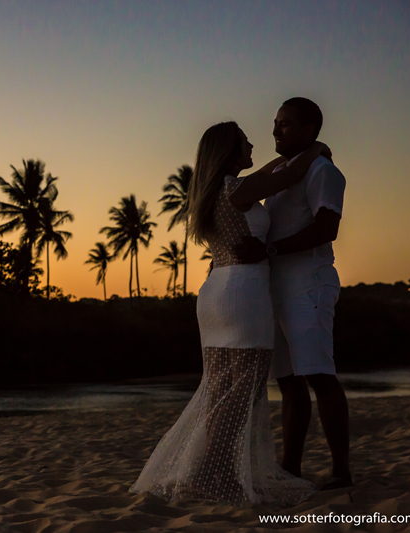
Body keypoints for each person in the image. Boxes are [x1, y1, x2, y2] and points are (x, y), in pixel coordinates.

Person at [130, 121, 327, 505]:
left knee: (220, 389)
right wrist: (315, 150)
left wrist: (282, 160)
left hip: (215, 290)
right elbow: (288, 174)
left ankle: (206, 470)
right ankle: (211, 472)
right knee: (244, 390)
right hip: (243, 292)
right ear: (230, 152)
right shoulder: (239, 189)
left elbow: (268, 171)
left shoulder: (215, 190)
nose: (253, 144)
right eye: (245, 142)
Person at [236, 97, 351, 490]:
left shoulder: (322, 171)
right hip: (276, 288)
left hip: (309, 284)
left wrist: (270, 250)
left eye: (284, 124)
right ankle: (291, 467)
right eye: (275, 123)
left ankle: (340, 471)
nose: (274, 131)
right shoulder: (285, 173)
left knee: (319, 374)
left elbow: (327, 228)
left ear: (308, 130)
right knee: (288, 380)